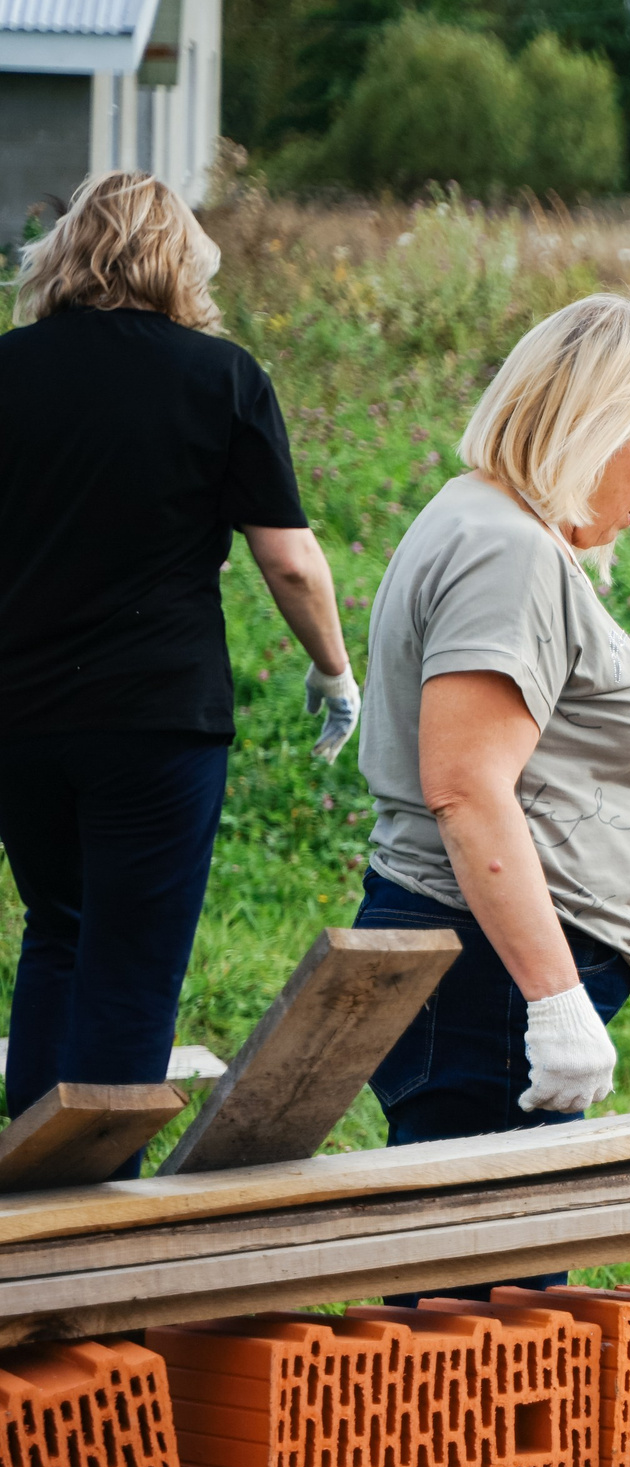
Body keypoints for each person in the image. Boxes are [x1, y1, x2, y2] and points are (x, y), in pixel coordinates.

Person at [0, 171, 356, 1167]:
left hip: (20, 714)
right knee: (133, 954)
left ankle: (29, 1178)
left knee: (58, 928)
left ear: (65, 252)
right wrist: (334, 671)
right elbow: (285, 555)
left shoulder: (8, 369)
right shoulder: (222, 378)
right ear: (181, 260)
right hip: (157, 718)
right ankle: (93, 1200)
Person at [354, 294, 630, 1217]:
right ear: (601, 420)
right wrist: (554, 1000)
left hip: (486, 963)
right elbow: (466, 787)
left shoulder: (489, 523)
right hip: (487, 972)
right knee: (482, 1304)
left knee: (489, 1299)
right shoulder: (505, 550)